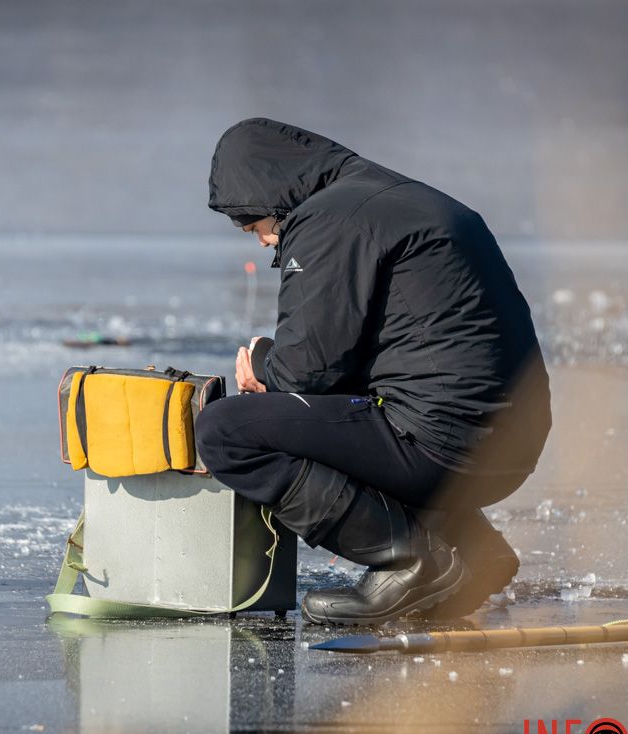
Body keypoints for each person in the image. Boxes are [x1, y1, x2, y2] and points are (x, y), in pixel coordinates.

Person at [195, 118, 551, 625]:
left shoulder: (327, 221)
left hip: (443, 446)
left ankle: (408, 561)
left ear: (273, 199)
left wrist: (262, 365)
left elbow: (305, 374)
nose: (260, 242)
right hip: (510, 446)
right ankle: (474, 553)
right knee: (358, 408)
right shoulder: (398, 199)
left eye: (252, 226)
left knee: (227, 431)